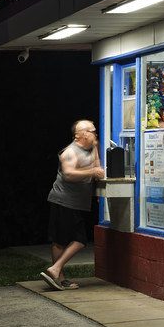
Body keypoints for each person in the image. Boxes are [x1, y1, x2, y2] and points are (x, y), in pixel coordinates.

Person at [41, 119, 105, 291]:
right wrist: (91, 171)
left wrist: (95, 154)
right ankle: (56, 270)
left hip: (77, 203)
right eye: (92, 131)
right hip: (63, 200)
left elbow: (97, 168)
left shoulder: (91, 148)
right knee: (74, 240)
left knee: (66, 239)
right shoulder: (70, 152)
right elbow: (69, 174)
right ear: (83, 134)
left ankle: (58, 277)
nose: (95, 134)